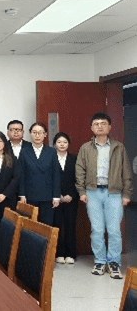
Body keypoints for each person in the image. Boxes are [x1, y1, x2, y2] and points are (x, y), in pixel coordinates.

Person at [76, 112, 133, 279]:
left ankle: (114, 263)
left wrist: (127, 193)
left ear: (109, 127)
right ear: (91, 128)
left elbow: (126, 172)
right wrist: (82, 191)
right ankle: (100, 261)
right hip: (92, 192)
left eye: (103, 123)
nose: (100, 126)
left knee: (114, 230)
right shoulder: (85, 148)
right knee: (97, 229)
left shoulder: (118, 147)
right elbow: (80, 170)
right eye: (96, 124)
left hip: (114, 193)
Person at [17, 122, 60, 225]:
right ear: (30, 134)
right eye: (34, 132)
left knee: (46, 226)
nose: (37, 135)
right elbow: (21, 175)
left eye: (40, 133)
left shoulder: (51, 152)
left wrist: (56, 196)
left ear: (45, 134)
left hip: (47, 196)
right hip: (30, 196)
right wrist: (22, 194)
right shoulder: (24, 151)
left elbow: (56, 175)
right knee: (30, 226)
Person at [53, 132, 78, 265]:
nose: (62, 144)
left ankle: (70, 253)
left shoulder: (74, 158)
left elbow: (79, 178)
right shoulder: (51, 158)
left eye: (65, 142)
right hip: (55, 198)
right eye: (59, 142)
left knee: (70, 225)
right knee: (57, 225)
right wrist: (58, 195)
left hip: (71, 198)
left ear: (68, 144)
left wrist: (71, 195)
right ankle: (59, 253)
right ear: (54, 144)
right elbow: (49, 179)